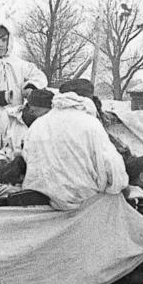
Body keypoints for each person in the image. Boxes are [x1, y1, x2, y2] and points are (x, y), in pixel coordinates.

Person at [22, 79, 128, 210]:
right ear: (87, 99)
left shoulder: (37, 125)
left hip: (44, 206)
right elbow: (113, 169)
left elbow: (27, 159)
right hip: (85, 206)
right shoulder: (90, 124)